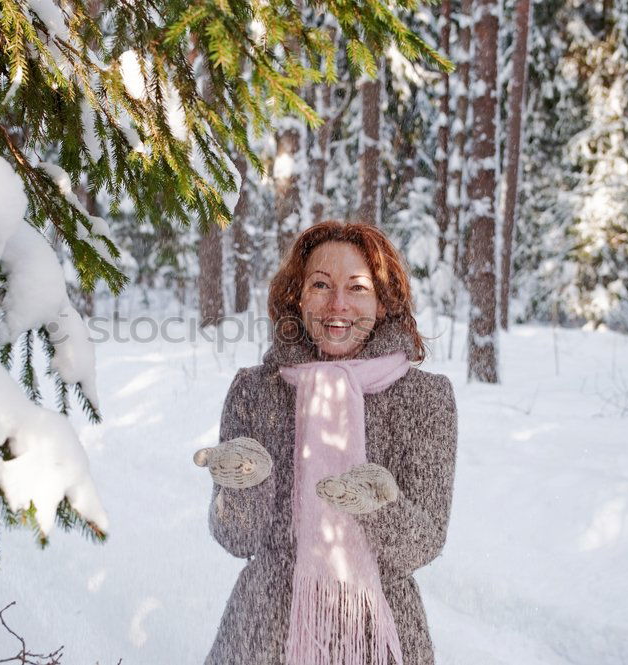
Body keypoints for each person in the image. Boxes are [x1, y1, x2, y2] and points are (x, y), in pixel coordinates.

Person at [194, 220, 458, 665]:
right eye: (321, 284)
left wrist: (379, 504)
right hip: (263, 635)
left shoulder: (426, 399)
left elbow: (424, 542)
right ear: (297, 295)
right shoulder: (255, 390)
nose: (338, 304)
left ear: (383, 300)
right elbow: (238, 539)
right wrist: (244, 485)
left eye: (357, 287)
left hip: (381, 637)